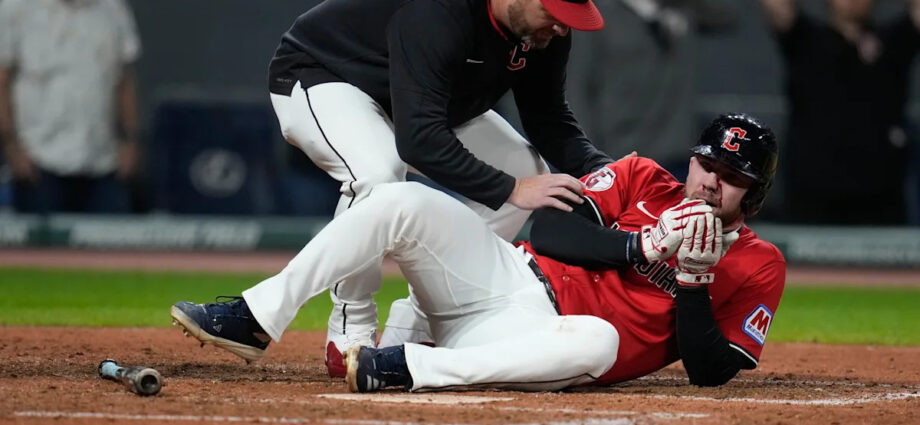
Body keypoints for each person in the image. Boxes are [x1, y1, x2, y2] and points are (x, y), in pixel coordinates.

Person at [170, 113, 786, 391]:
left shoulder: (760, 264)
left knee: (599, 340)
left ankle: (406, 367)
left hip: (539, 342)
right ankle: (257, 315)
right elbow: (548, 234)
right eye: (706, 162)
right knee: (392, 198)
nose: (709, 180)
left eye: (730, 176)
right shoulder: (642, 177)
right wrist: (641, 243)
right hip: (503, 277)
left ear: (752, 195)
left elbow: (709, 372)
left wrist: (694, 279)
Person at [266, 0, 613, 376]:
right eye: (555, 14)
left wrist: (607, 169)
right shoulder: (439, 10)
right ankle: (350, 330)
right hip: (326, 76)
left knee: (525, 167)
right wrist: (511, 189)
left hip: (422, 100)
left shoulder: (544, 31)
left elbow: (548, 118)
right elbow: (419, 141)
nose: (563, 28)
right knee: (378, 174)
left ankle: (419, 316)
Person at [758, 0, 920, 224]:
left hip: (880, 199)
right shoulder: (805, 39)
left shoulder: (894, 41)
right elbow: (776, 7)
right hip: (812, 197)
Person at [567, 0, 736, 180]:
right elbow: (575, 93)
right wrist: (590, 166)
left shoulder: (684, 11)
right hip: (623, 160)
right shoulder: (597, 17)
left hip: (679, 156)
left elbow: (727, 15)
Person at [0, 0, 141, 214]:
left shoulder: (113, 9)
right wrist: (12, 146)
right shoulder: (15, 8)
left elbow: (125, 81)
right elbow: (2, 82)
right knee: (43, 244)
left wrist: (130, 141)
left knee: (113, 241)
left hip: (102, 160)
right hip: (39, 160)